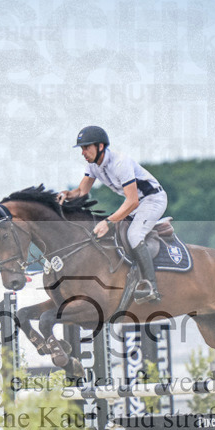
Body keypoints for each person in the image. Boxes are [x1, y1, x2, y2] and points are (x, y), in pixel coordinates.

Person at [57, 126, 167, 303]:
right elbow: (81, 191)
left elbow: (132, 202)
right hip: (137, 204)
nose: (83, 153)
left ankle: (150, 287)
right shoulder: (93, 166)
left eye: (86, 147)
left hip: (153, 200)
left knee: (133, 235)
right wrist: (66, 194)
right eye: (82, 149)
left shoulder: (119, 163)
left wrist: (107, 222)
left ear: (100, 146)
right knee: (116, 234)